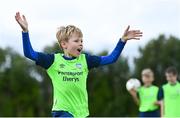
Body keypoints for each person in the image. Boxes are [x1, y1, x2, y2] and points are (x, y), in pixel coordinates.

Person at [15, 12, 143, 117]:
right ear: (64, 44)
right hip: (62, 111)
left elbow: (111, 58)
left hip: (82, 113)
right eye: (76, 40)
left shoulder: (85, 60)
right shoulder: (53, 60)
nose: (81, 43)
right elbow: (29, 53)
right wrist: (25, 32)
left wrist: (122, 41)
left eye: (82, 40)